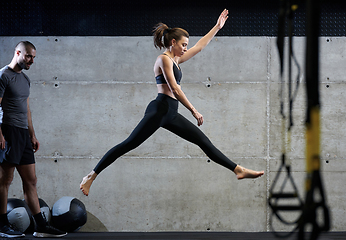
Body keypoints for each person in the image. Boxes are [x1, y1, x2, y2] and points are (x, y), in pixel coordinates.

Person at [80, 9, 264, 197]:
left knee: (203, 141)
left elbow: (200, 46)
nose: (186, 48)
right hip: (160, 110)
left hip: (171, 112)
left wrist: (217, 27)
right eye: (183, 44)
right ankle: (91, 176)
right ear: (173, 42)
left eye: (187, 45)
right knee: (128, 144)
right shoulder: (163, 60)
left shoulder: (176, 60)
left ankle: (237, 170)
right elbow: (175, 89)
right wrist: (194, 110)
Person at [0, 41, 67, 238]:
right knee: (6, 180)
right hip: (9, 131)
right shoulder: (3, 75)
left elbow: (27, 109)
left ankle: (40, 226)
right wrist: (0, 135)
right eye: (28, 56)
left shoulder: (25, 79)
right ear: (18, 52)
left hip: (22, 134)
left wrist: (32, 134)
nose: (31, 60)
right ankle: (2, 225)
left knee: (31, 180)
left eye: (34, 57)